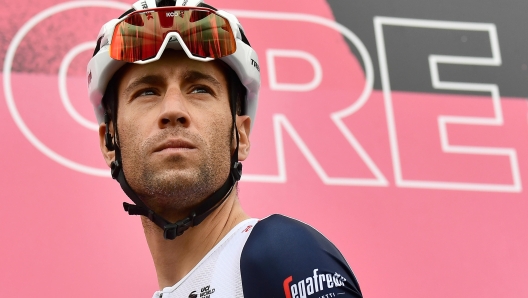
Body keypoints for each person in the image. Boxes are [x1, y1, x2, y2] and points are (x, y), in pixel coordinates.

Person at [87, 0, 363, 297]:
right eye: (147, 91)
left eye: (200, 89)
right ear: (109, 142)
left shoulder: (284, 255)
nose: (173, 110)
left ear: (241, 136)